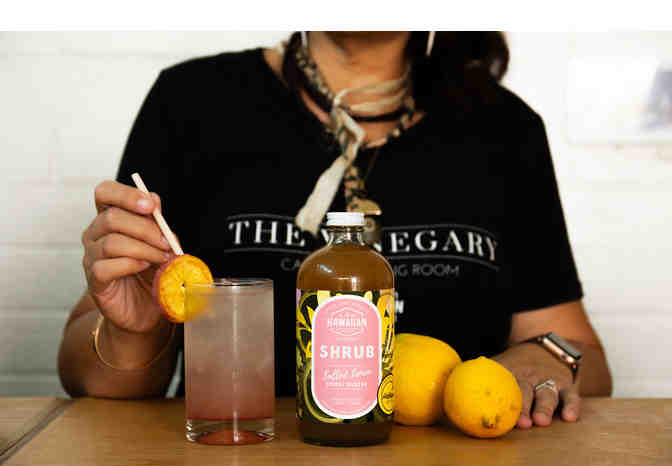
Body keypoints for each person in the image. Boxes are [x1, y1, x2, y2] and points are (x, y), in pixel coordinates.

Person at [58, 31, 612, 429]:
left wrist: (550, 357)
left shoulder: (506, 130)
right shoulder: (192, 102)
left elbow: (584, 356)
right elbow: (90, 381)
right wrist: (136, 330)